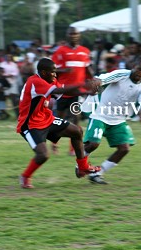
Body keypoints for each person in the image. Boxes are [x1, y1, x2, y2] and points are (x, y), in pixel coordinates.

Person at [16, 57, 100, 189]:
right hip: (30, 125)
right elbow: (57, 91)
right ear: (43, 72)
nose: (55, 75)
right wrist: (82, 84)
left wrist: (86, 91)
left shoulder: (50, 79)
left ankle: (82, 167)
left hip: (46, 118)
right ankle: (25, 176)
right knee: (43, 155)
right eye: (53, 72)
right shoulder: (35, 81)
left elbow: (65, 90)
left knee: (77, 131)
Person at [81, 58, 141, 184]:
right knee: (93, 144)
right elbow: (103, 78)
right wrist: (97, 81)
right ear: (133, 66)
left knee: (124, 148)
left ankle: (97, 173)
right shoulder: (122, 74)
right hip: (100, 115)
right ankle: (80, 165)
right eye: (140, 69)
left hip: (118, 120)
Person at [52, 26, 93, 156]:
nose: (73, 36)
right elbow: (52, 70)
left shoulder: (85, 51)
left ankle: (72, 149)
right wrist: (63, 71)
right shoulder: (60, 51)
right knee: (60, 119)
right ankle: (54, 144)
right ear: (67, 35)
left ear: (79, 35)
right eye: (71, 34)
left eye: (76, 34)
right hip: (63, 91)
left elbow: (87, 69)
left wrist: (93, 81)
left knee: (75, 119)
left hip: (77, 92)